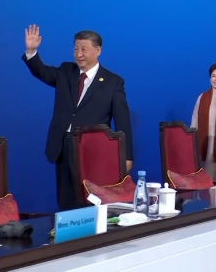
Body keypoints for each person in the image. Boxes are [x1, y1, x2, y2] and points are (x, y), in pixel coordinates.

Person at [22, 25, 133, 211]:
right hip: (63, 146)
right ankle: (69, 228)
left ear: (98, 50)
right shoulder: (66, 71)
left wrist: (126, 155)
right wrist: (32, 51)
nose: (79, 54)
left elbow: (123, 121)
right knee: (66, 198)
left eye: (84, 49)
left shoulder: (113, 82)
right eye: (76, 49)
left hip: (94, 149)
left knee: (90, 199)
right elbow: (42, 72)